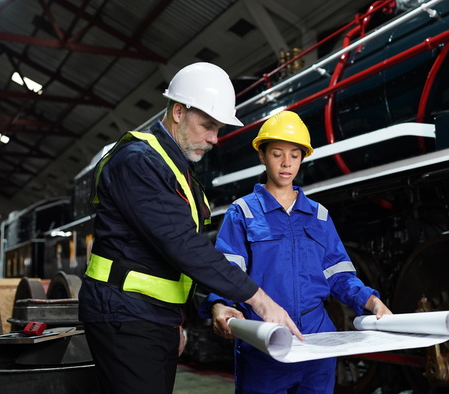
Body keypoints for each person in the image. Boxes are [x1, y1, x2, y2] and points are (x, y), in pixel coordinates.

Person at [77, 62, 303, 394]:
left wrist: (185, 318)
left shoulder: (177, 169)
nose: (214, 139)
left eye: (218, 128)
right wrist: (259, 299)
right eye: (207, 125)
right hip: (125, 315)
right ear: (179, 112)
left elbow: (172, 261)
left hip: (152, 318)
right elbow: (182, 245)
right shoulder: (139, 161)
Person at [200, 110, 392, 393]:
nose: (286, 163)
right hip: (265, 342)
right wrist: (218, 304)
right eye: (277, 154)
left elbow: (338, 274)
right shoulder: (242, 213)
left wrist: (372, 302)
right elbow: (227, 271)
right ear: (262, 156)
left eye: (295, 154)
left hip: (317, 342)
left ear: (303, 158)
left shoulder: (320, 216)